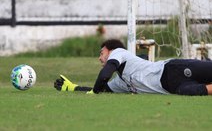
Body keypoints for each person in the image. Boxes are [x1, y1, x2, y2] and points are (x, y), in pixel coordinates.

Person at [54, 39, 212, 96]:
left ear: (110, 50)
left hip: (173, 69)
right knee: (193, 92)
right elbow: (104, 88)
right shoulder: (120, 83)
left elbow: (104, 75)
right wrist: (73, 87)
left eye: (101, 53)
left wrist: (94, 92)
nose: (99, 57)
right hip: (174, 87)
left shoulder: (119, 52)